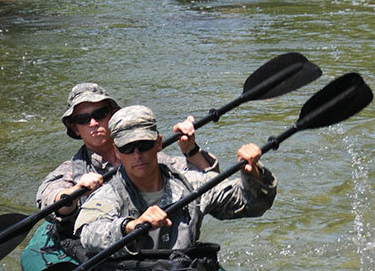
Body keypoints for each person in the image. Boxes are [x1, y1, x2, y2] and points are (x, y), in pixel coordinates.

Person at [74, 105, 276, 254]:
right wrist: (130, 226)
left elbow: (254, 206)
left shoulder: (192, 184)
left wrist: (253, 173)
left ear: (158, 143)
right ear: (117, 152)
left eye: (144, 145)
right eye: (128, 148)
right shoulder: (109, 194)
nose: (137, 155)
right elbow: (89, 235)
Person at [37, 82, 217, 228]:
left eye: (100, 114)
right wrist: (75, 192)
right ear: (75, 128)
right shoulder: (73, 170)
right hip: (104, 245)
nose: (93, 123)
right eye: (83, 119)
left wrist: (190, 149)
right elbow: (51, 199)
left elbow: (209, 182)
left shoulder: (150, 159)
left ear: (112, 116)